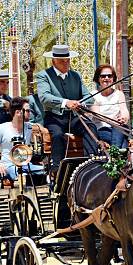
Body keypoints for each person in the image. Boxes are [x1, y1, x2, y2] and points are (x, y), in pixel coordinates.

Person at [36, 44, 96, 176]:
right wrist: (66, 102)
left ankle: (91, 162)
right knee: (57, 135)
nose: (66, 63)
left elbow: (89, 97)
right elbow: (44, 97)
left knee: (90, 127)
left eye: (68, 60)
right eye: (62, 61)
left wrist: (81, 103)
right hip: (54, 117)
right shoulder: (43, 75)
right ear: (53, 61)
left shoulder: (75, 76)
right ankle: (57, 168)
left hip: (75, 117)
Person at [0, 96, 44, 181]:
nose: (30, 113)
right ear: (18, 112)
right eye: (28, 111)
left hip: (27, 165)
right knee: (23, 176)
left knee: (44, 173)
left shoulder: (29, 127)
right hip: (9, 166)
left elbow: (44, 131)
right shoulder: (2, 128)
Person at [90, 64, 130, 149]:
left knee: (120, 129)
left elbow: (124, 111)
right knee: (123, 142)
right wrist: (112, 121)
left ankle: (114, 157)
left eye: (110, 76)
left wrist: (123, 118)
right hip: (102, 128)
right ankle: (116, 156)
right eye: (103, 76)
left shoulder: (119, 94)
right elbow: (97, 115)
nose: (107, 78)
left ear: (113, 78)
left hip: (118, 127)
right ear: (98, 78)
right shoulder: (94, 95)